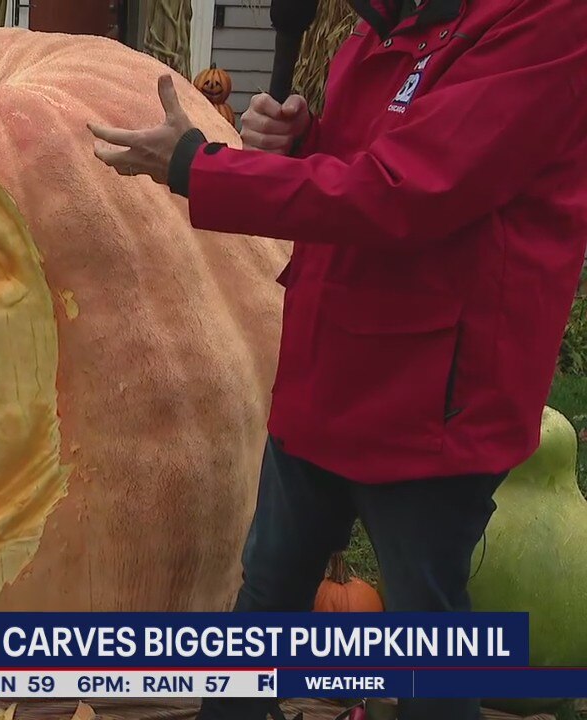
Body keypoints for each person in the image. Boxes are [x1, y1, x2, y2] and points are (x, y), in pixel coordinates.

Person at [86, 0, 587, 716]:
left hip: (435, 397)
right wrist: (304, 142)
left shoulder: (546, 24)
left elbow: (404, 193)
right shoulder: (394, 16)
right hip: (328, 366)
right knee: (266, 601)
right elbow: (368, 160)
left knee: (425, 633)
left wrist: (200, 167)